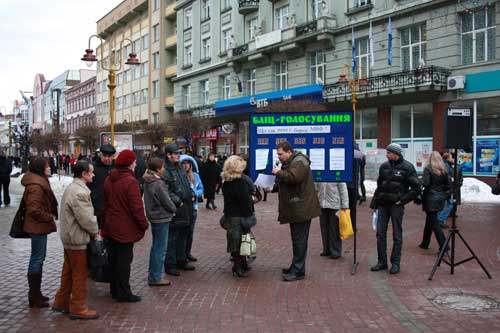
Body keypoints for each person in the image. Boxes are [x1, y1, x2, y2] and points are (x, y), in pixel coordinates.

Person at [265, 141, 321, 282]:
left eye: (280, 154)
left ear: (289, 152)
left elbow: (293, 178)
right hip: (297, 208)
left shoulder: (299, 162)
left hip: (301, 208)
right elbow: (287, 182)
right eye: (278, 154)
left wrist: (278, 172)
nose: (278, 157)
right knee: (297, 240)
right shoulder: (292, 161)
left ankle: (298, 271)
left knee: (299, 241)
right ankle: (295, 267)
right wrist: (272, 188)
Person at [52, 160, 99, 320]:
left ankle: (61, 301)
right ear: (84, 174)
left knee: (68, 271)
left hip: (70, 237)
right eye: (91, 172)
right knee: (79, 274)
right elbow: (86, 218)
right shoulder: (79, 192)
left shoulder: (74, 188)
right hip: (76, 238)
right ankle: (78, 306)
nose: (93, 175)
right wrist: (95, 231)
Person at [103, 149, 148, 302]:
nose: (135, 164)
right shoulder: (130, 181)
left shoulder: (109, 178)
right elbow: (136, 207)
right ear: (129, 164)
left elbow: (106, 202)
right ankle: (123, 292)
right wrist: (143, 223)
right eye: (134, 161)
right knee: (124, 261)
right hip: (125, 227)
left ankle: (114, 289)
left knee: (114, 259)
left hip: (111, 225)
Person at [370, 143, 420, 274]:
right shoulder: (384, 166)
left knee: (397, 234)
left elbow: (416, 188)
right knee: (380, 233)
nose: (387, 155)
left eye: (389, 153)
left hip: (396, 206)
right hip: (382, 205)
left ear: (396, 154)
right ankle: (382, 261)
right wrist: (374, 204)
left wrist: (402, 200)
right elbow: (379, 186)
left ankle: (396, 263)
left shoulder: (408, 167)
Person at [22, 157, 58, 308]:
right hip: (36, 226)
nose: (49, 168)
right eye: (47, 166)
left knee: (38, 257)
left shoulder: (38, 181)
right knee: (37, 258)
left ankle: (36, 293)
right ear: (40, 168)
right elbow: (33, 209)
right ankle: (34, 295)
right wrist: (49, 216)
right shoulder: (36, 186)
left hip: (37, 226)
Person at [163, 143, 195, 276]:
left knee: (183, 234)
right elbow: (166, 191)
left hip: (186, 207)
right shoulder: (165, 170)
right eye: (175, 153)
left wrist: (191, 194)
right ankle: (170, 264)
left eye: (178, 153)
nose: (178, 155)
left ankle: (181, 259)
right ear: (168, 155)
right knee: (172, 238)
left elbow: (186, 183)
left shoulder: (180, 168)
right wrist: (178, 201)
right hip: (176, 209)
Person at [143, 158, 177, 286]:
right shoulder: (158, 183)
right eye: (162, 167)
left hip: (154, 215)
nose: (164, 169)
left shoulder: (148, 180)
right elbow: (166, 200)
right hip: (161, 216)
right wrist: (173, 208)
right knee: (160, 248)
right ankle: (156, 276)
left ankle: (154, 274)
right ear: (158, 169)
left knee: (156, 246)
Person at [221, 155, 256, 278]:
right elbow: (245, 200)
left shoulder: (226, 181)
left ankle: (241, 263)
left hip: (231, 215)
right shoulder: (240, 182)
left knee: (236, 241)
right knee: (240, 242)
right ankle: (238, 266)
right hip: (239, 215)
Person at [418, 151, 451, 253]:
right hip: (439, 199)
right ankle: (425, 242)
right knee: (430, 220)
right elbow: (448, 186)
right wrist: (443, 196)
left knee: (435, 223)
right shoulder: (444, 170)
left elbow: (426, 183)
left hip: (430, 199)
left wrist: (419, 180)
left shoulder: (428, 169)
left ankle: (444, 246)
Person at [315, 182, 349, 259]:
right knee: (324, 228)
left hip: (335, 205)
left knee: (334, 229)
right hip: (322, 204)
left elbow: (343, 189)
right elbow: (316, 188)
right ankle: (326, 249)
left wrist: (345, 205)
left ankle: (335, 251)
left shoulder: (336, 172)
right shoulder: (321, 172)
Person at [180, 155, 204, 262]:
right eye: (183, 163)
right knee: (182, 232)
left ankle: (187, 252)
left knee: (190, 232)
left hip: (193, 208)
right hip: (184, 208)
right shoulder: (179, 176)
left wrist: (195, 193)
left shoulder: (195, 176)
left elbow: (201, 189)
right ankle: (181, 254)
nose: (186, 166)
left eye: (187, 163)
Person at [88, 144, 116, 228]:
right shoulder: (92, 167)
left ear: (113, 156)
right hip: (97, 208)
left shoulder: (116, 167)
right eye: (104, 155)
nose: (106, 158)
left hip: (113, 209)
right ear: (100, 154)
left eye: (109, 156)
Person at [437, 152, 463, 227]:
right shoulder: (445, 165)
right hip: (445, 189)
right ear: (447, 158)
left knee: (447, 205)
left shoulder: (447, 165)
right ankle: (440, 220)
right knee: (447, 205)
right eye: (452, 157)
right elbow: (447, 177)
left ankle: (440, 220)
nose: (453, 159)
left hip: (446, 189)